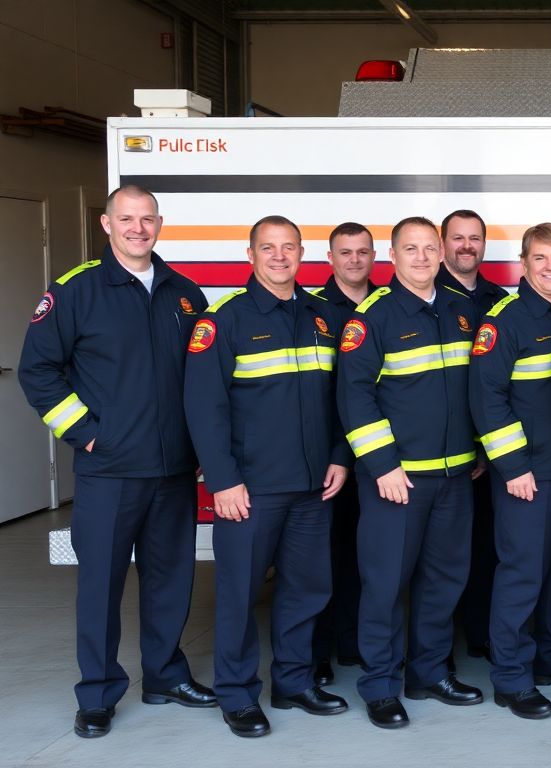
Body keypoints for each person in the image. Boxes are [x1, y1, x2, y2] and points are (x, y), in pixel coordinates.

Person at [19, 185, 215, 738]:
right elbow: (36, 371)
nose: (138, 228)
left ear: (160, 224)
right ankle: (99, 693)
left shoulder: (185, 293)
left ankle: (164, 677)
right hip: (108, 473)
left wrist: (199, 448)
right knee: (101, 587)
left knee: (171, 582)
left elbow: (200, 382)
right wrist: (85, 435)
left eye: (147, 219)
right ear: (107, 225)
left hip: (174, 471)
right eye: (126, 219)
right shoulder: (76, 291)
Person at [186, 215, 352, 737]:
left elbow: (344, 400)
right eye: (268, 248)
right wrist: (222, 480)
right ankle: (236, 694)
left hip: (312, 487)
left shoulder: (323, 317)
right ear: (251, 254)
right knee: (238, 595)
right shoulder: (224, 322)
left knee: (306, 590)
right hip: (250, 490)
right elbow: (203, 407)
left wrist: (341, 455)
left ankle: (294, 682)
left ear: (303, 254)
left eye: (289, 248)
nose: (279, 257)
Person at [337, 216, 484, 729]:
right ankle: (380, 685)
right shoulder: (372, 317)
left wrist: (478, 450)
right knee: (384, 585)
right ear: (392, 257)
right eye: (410, 249)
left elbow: (474, 391)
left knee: (444, 581)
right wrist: (382, 465)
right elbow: (353, 396)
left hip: (455, 477)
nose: (421, 258)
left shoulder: (461, 312)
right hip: (397, 482)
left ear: (442, 253)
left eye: (429, 248)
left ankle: (428, 674)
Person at [469, 223, 551, 719]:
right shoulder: (505, 320)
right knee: (522, 576)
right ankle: (511, 676)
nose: (550, 267)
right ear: (523, 264)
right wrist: (512, 466)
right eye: (540, 258)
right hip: (529, 477)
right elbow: (487, 398)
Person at [310, 222, 377, 685]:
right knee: (318, 558)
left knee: (364, 554)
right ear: (330, 258)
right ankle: (316, 652)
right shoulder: (313, 309)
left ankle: (353, 642)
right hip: (327, 456)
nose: (354, 260)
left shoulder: (385, 306)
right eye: (345, 252)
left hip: (372, 456)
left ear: (375, 257)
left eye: (362, 252)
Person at [439, 209, 506, 664]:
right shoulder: (425, 297)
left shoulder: (498, 300)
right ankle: (434, 653)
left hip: (489, 454)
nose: (467, 246)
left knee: (486, 548)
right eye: (458, 238)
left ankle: (479, 635)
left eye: (475, 238)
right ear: (443, 244)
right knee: (439, 561)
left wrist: (487, 447)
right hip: (439, 457)